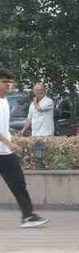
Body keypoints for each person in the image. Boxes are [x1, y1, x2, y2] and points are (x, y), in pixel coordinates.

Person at [0, 69, 48, 228]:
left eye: (9, 82)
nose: (8, 85)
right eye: (4, 82)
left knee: (18, 183)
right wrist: (9, 143)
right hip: (5, 148)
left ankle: (28, 216)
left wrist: (10, 143)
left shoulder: (5, 101)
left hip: (5, 153)